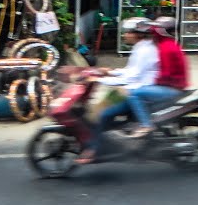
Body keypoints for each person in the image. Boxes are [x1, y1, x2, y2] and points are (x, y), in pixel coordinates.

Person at [76, 17, 159, 165]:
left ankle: (94, 150)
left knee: (100, 113)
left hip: (135, 92)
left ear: (137, 34)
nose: (124, 35)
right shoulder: (141, 48)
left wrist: (100, 80)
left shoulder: (144, 50)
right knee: (98, 107)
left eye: (127, 32)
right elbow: (130, 72)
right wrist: (111, 72)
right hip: (131, 89)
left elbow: (131, 77)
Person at [123, 18, 190, 138]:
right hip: (174, 86)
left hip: (173, 88)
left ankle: (146, 125)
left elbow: (167, 74)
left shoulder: (166, 48)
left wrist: (153, 82)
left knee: (135, 94)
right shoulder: (167, 45)